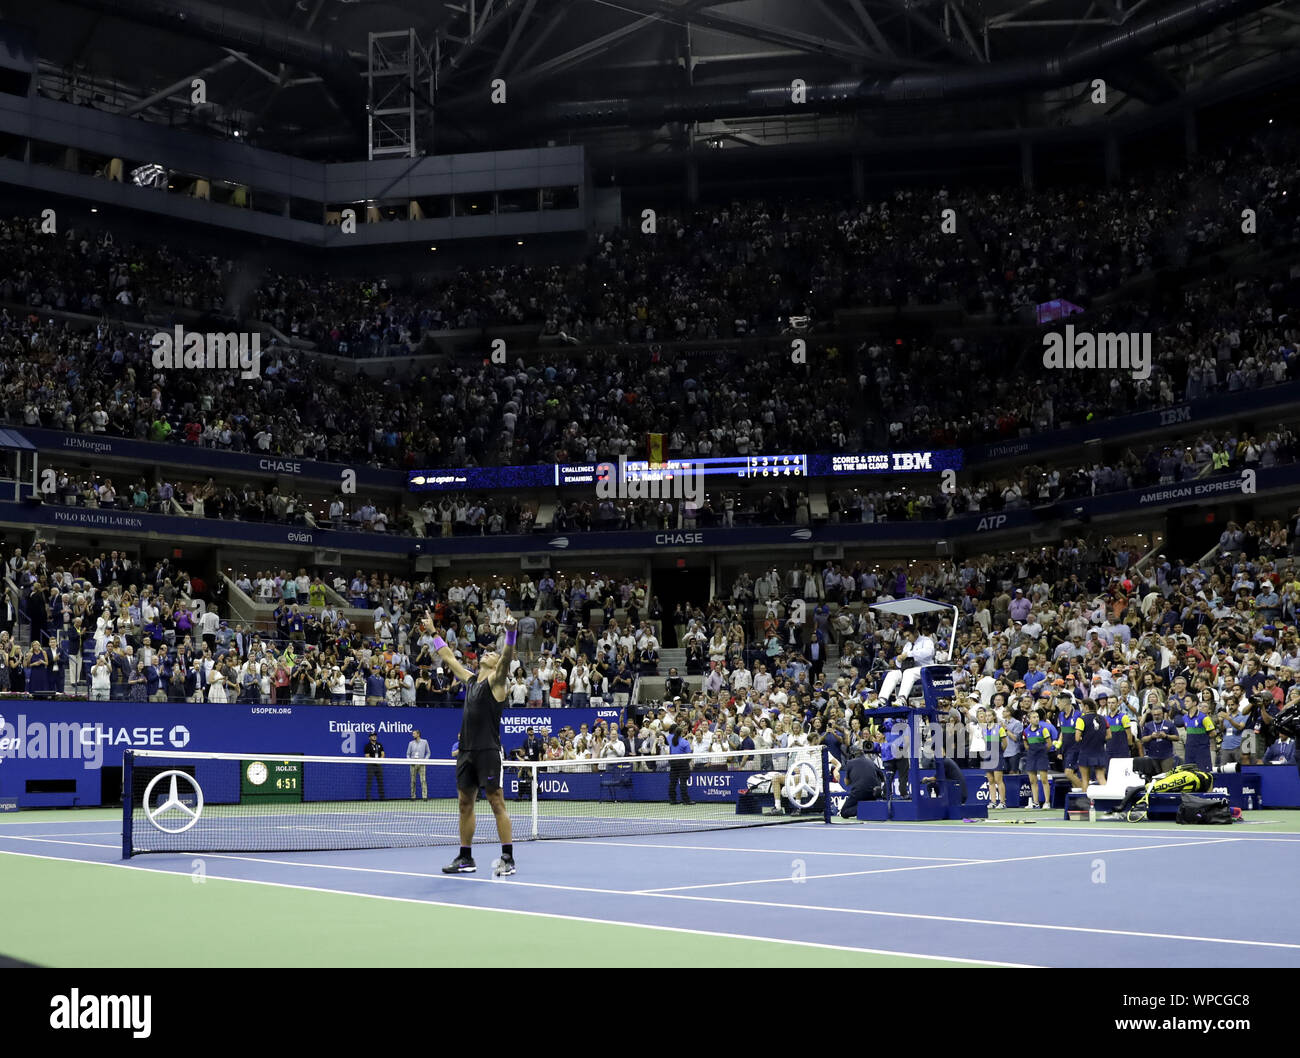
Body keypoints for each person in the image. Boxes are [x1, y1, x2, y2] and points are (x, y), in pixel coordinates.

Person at [430, 610, 518, 875]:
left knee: (496, 801)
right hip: (466, 751)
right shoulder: (470, 681)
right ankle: (466, 858)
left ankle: (508, 858)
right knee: (464, 803)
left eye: (492, 653)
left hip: (488, 751)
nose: (488, 653)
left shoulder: (497, 681)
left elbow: (506, 659)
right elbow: (446, 655)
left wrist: (511, 632)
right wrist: (433, 632)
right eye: (487, 652)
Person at [829, 748, 884, 819]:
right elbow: (882, 776)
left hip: (859, 791)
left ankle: (865, 810)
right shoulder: (871, 762)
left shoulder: (849, 763)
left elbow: (847, 783)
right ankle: (870, 808)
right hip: (873, 792)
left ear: (853, 755)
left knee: (844, 812)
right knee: (865, 800)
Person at [1021, 709, 1057, 809]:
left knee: (1044, 780)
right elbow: (1025, 744)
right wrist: (1031, 751)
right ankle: (1035, 802)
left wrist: (1043, 752)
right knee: (1033, 781)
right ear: (1029, 720)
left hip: (1042, 756)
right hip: (1031, 756)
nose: (1036, 719)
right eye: (1034, 717)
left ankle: (1047, 802)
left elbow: (1049, 744)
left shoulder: (1043, 730)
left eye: (1037, 717)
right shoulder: (1026, 731)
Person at [1074, 699, 1109, 788]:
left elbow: (1077, 738)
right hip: (1100, 751)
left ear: (1086, 707)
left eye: (1082, 706)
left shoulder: (1081, 720)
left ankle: (1086, 801)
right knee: (1101, 777)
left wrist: (1086, 739)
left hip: (1086, 752)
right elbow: (1109, 736)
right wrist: (1098, 739)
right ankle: (1108, 798)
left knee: (1085, 779)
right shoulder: (1103, 718)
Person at [1140, 705, 1178, 773]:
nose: (1156, 716)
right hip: (1152, 756)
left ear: (1162, 714)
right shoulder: (1148, 725)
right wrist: (1151, 736)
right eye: (1154, 715)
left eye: (1158, 714)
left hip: (1166, 756)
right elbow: (1143, 739)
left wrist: (1166, 736)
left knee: (1166, 776)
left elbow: (1177, 737)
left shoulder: (1169, 724)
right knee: (1154, 776)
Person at [667, 724, 693, 806]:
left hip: (673, 763)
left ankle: (673, 800)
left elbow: (670, 753)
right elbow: (689, 754)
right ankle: (686, 800)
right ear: (682, 733)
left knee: (673, 782)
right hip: (682, 763)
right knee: (683, 782)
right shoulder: (685, 742)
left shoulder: (672, 742)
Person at [407, 728, 431, 799]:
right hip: (413, 764)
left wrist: (425, 760)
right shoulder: (410, 743)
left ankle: (425, 796)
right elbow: (408, 754)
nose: (413, 735)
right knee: (413, 781)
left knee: (423, 780)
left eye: (414, 734)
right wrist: (410, 760)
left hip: (422, 764)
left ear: (418, 734)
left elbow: (428, 753)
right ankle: (413, 796)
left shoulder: (425, 742)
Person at [364, 732, 386, 800]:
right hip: (371, 766)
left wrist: (380, 760)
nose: (374, 737)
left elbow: (383, 754)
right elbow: (367, 756)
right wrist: (374, 760)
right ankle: (368, 798)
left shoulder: (379, 745)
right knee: (369, 782)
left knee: (380, 782)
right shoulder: (367, 746)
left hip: (379, 765)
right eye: (372, 736)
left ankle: (382, 798)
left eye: (375, 736)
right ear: (369, 737)